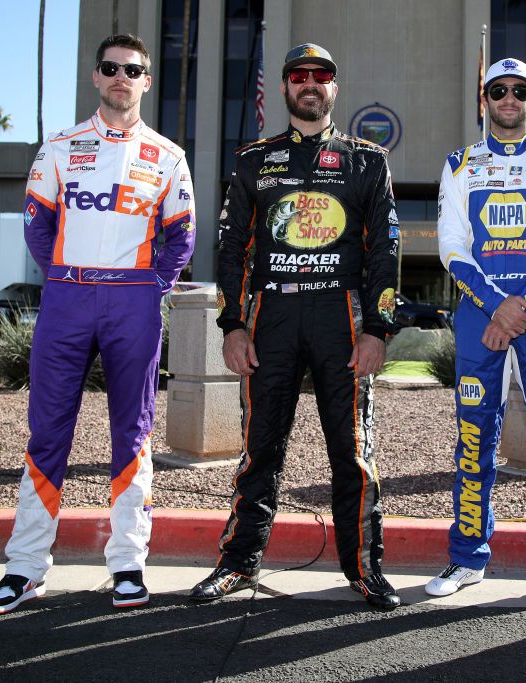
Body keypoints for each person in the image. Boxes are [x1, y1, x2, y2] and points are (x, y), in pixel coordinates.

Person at [0, 34, 196, 614]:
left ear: (147, 81)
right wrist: (66, 279)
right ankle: (25, 567)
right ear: (96, 78)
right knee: (47, 433)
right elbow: (36, 227)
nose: (122, 77)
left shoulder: (169, 156)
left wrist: (153, 288)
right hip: (68, 298)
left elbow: (183, 237)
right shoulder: (57, 148)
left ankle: (128, 563)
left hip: (134, 303)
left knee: (134, 432)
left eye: (134, 69)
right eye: (111, 68)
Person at [189, 43, 401, 610]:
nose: (310, 83)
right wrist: (232, 325)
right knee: (260, 449)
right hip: (271, 318)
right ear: (283, 88)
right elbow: (231, 248)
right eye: (298, 75)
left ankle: (363, 568)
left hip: (342, 317)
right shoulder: (254, 159)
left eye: (321, 75)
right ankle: (237, 564)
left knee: (352, 450)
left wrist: (377, 329)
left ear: (335, 87)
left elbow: (385, 249)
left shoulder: (367, 160)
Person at [426, 58, 526, 612]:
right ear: (485, 100)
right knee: (473, 438)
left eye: (521, 90)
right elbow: (451, 246)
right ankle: (468, 556)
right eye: (499, 90)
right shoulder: (460, 164)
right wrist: (498, 307)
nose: (509, 98)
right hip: (481, 313)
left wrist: (520, 308)